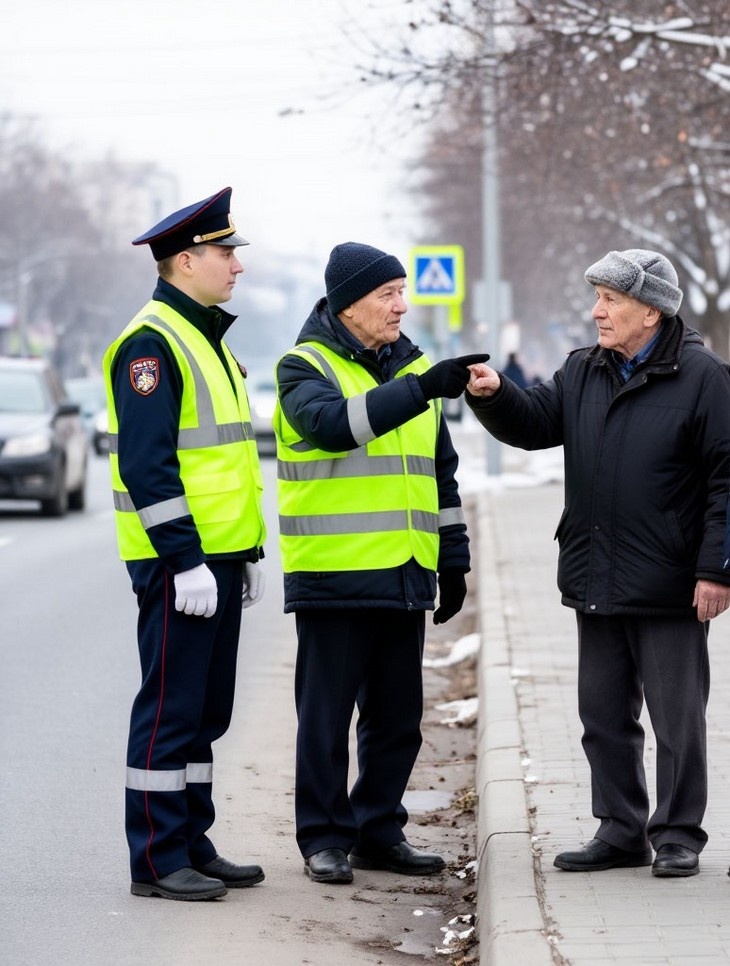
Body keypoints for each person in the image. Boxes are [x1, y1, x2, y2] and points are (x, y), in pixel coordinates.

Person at [465, 248, 730, 878]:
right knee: (602, 715)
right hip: (595, 573)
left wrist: (717, 569)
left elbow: (728, 479)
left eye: (610, 299)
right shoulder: (583, 369)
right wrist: (498, 394)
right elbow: (536, 424)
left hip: (672, 581)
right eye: (598, 297)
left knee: (676, 720)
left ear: (650, 311)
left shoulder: (704, 377)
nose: (597, 312)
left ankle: (677, 834)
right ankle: (619, 830)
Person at [273, 241, 488, 884]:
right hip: (334, 574)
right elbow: (334, 426)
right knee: (326, 718)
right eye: (387, 295)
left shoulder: (409, 364)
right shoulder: (302, 367)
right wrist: (420, 388)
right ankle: (323, 838)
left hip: (403, 570)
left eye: (402, 292)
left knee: (397, 720)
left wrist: (453, 559)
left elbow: (438, 472)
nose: (401, 306)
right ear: (348, 305)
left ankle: (378, 831)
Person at [102, 187, 267, 901]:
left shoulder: (203, 336)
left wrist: (241, 556)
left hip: (215, 560)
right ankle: (156, 857)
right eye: (226, 253)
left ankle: (191, 841)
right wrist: (185, 559)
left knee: (205, 713)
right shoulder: (153, 343)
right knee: (170, 711)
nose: (237, 265)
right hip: (182, 565)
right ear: (186, 260)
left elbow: (222, 463)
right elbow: (148, 464)